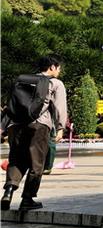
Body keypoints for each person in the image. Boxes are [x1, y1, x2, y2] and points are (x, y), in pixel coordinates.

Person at [2, 55, 68, 211]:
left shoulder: (23, 81)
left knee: (16, 159)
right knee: (36, 162)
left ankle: (8, 192)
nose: (59, 71)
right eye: (58, 68)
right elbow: (60, 107)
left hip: (15, 125)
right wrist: (60, 128)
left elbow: (10, 104)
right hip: (38, 126)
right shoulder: (55, 83)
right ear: (52, 67)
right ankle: (27, 198)